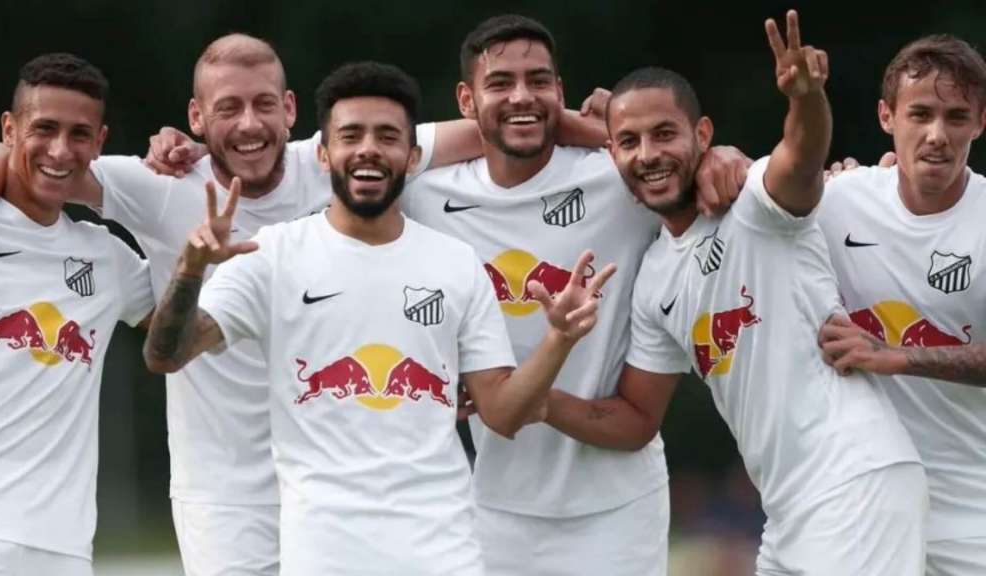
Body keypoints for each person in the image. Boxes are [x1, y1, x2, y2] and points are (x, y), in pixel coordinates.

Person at [0, 32, 497, 576]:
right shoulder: (156, 183)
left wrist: (582, 124)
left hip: (338, 489)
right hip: (224, 495)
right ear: (196, 117)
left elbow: (492, 131)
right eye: (227, 108)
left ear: (289, 110)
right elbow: (40, 166)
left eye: (264, 103)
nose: (248, 124)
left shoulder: (337, 156)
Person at [143, 60, 612, 576]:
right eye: (350, 135)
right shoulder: (271, 255)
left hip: (443, 556)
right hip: (323, 558)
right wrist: (189, 269)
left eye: (387, 136)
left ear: (412, 157)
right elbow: (167, 354)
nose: (368, 148)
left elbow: (503, 414)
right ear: (323, 154)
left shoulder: (455, 263)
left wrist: (558, 341)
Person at [400, 14, 747, 575]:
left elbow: (692, 165)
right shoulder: (422, 194)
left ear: (560, 94)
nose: (522, 96)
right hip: (493, 502)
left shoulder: (618, 178)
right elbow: (344, 153)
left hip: (619, 502)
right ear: (465, 99)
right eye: (500, 83)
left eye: (539, 81)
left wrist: (726, 157)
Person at [598, 11, 926, 574]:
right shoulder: (653, 278)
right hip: (786, 513)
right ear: (612, 156)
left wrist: (805, 99)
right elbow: (634, 417)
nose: (647, 153)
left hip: (856, 482)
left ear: (703, 136)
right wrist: (529, 397)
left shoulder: (753, 200)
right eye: (629, 141)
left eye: (664, 134)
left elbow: (801, 156)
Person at [0, 54, 154, 575]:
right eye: (43, 128)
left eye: (79, 134)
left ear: (100, 142)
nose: (60, 150)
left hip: (65, 549)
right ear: (9, 128)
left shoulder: (106, 256)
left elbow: (184, 331)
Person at [817, 34, 986, 575]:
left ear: (980, 123)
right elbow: (728, 185)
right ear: (887, 116)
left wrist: (895, 356)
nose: (938, 135)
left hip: (972, 505)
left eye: (956, 117)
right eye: (920, 114)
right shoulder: (837, 199)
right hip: (862, 503)